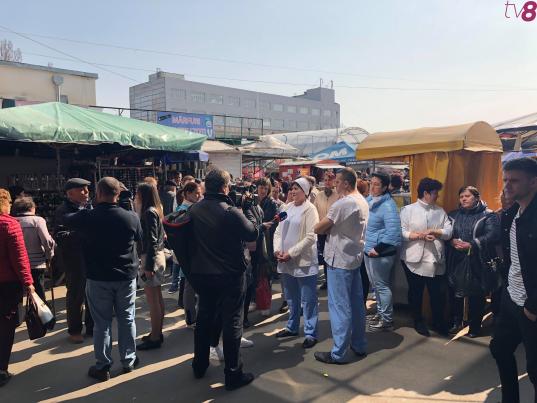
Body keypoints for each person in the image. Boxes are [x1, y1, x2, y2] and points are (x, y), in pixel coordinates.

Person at [63, 177, 142, 382]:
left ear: (98, 193)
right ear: (118, 193)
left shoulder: (87, 216)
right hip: (125, 275)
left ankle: (103, 365)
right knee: (127, 318)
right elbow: (139, 240)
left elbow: (66, 218)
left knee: (102, 323)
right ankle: (128, 360)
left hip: (98, 276)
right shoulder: (131, 217)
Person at [188, 168, 261, 391]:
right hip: (230, 276)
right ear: (224, 187)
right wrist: (248, 210)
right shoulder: (230, 211)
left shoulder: (194, 209)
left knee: (204, 318)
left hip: (203, 274)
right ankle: (233, 373)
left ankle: (199, 365)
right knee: (232, 322)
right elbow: (252, 233)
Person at [490, 157, 537, 403]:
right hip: (511, 297)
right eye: (505, 180)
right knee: (499, 348)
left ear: (533, 182)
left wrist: (533, 306)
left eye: (514, 181)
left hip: (531, 306)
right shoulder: (512, 214)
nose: (507, 185)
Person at [313, 168, 369, 364]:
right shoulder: (362, 200)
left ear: (346, 183)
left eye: (337, 181)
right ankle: (359, 344)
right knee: (356, 304)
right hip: (354, 257)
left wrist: (327, 226)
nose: (334, 185)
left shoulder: (343, 203)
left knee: (339, 307)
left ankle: (338, 352)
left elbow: (318, 228)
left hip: (339, 259)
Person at [400, 178, 452, 337]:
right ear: (426, 193)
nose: (437, 196)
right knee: (416, 292)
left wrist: (436, 232)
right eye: (435, 193)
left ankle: (438, 321)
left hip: (434, 258)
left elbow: (449, 232)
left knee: (437, 293)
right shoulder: (408, 210)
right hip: (412, 257)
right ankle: (418, 320)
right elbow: (401, 231)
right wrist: (418, 236)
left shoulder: (440, 211)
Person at [447, 186, 500, 338]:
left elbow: (493, 235)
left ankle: (475, 326)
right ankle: (457, 322)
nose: (463, 199)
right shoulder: (453, 215)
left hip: (479, 260)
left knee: (477, 295)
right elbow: (446, 233)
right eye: (461, 196)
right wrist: (451, 241)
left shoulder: (488, 215)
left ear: (476, 198)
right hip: (457, 259)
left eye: (467, 196)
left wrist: (473, 244)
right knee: (455, 292)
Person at [273, 177, 320, 348]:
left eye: (297, 188)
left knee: (308, 299)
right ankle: (292, 326)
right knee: (291, 297)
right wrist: (277, 250)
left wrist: (291, 253)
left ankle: (310, 333)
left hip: (303, 261)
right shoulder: (287, 208)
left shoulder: (310, 209)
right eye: (291, 188)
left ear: (305, 191)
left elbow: (311, 236)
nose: (293, 191)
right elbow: (278, 231)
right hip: (285, 260)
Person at [0, 189, 34, 387]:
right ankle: (1, 369)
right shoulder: (9, 224)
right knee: (6, 326)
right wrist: (28, 283)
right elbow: (19, 258)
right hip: (6, 284)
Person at [54, 178, 94, 343]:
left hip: (91, 257)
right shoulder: (63, 210)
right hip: (74, 259)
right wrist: (81, 234)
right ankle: (75, 330)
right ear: (70, 193)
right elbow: (59, 235)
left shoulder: (89, 207)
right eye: (82, 190)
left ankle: (92, 327)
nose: (86, 192)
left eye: (87, 189)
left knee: (92, 293)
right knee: (76, 295)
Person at [364, 172, 402, 332]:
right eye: (371, 183)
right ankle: (380, 313)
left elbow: (393, 232)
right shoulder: (370, 201)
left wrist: (377, 249)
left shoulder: (388, 205)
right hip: (369, 249)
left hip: (380, 252)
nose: (372, 187)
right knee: (376, 286)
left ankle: (387, 320)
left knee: (382, 286)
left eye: (376, 184)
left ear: (385, 187)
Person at [135, 182, 166, 350]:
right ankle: (157, 333)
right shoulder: (155, 210)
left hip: (151, 258)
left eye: (137, 193)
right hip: (157, 256)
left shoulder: (148, 212)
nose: (135, 197)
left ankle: (155, 336)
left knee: (153, 300)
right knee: (157, 298)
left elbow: (152, 240)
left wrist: (148, 266)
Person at [244, 177, 279, 324]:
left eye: (266, 188)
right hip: (254, 242)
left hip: (266, 242)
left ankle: (265, 303)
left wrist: (261, 225)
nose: (263, 190)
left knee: (265, 273)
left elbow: (273, 222)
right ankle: (255, 300)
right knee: (254, 272)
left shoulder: (271, 203)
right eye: (261, 187)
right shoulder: (252, 201)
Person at [171, 182, 202, 327]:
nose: (199, 195)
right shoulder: (184, 210)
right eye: (196, 193)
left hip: (191, 253)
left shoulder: (188, 208)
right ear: (188, 194)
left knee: (191, 286)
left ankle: (192, 317)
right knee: (190, 287)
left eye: (200, 192)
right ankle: (191, 318)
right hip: (190, 254)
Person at [13, 197, 56, 301]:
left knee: (18, 293)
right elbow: (46, 241)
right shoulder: (38, 220)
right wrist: (49, 255)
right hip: (36, 262)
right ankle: (38, 311)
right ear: (32, 208)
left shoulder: (13, 221)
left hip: (17, 263)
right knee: (38, 293)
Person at [314, 171, 339, 290]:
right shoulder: (319, 195)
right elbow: (315, 212)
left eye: (329, 180)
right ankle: (327, 280)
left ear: (334, 181)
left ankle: (334, 280)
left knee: (334, 257)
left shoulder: (338, 195)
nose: (327, 182)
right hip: (321, 232)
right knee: (325, 257)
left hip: (334, 233)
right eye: (325, 180)